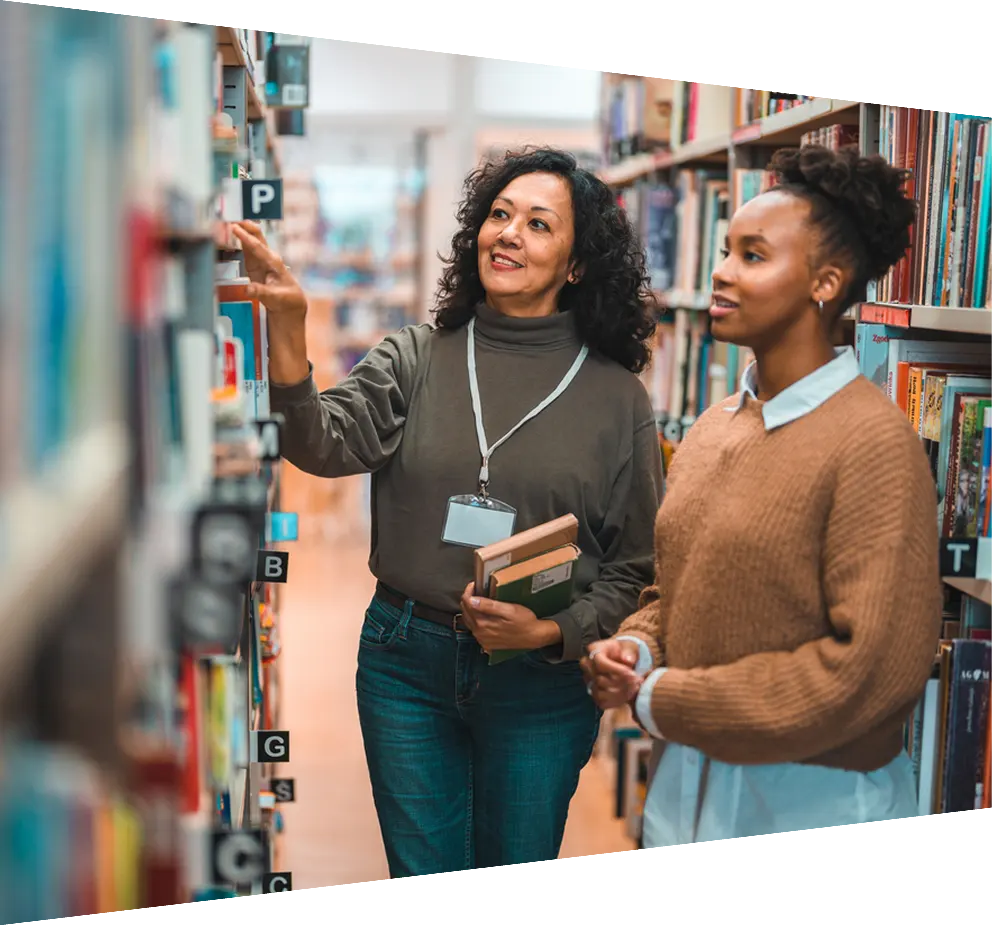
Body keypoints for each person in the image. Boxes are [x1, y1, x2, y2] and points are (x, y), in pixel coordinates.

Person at [231, 146, 664, 877]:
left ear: (577, 263)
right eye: (499, 215)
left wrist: (555, 630)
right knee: (423, 884)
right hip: (407, 659)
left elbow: (634, 567)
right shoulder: (416, 356)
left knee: (515, 879)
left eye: (537, 223)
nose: (509, 233)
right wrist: (290, 336)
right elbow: (322, 444)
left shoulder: (617, 399)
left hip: (540, 677)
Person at [583, 144, 943, 848]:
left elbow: (866, 672)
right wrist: (636, 650)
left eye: (752, 256)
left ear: (825, 283)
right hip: (686, 799)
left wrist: (665, 699)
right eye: (725, 250)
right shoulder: (717, 427)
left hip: (813, 817)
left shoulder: (873, 444)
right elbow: (674, 591)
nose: (720, 271)